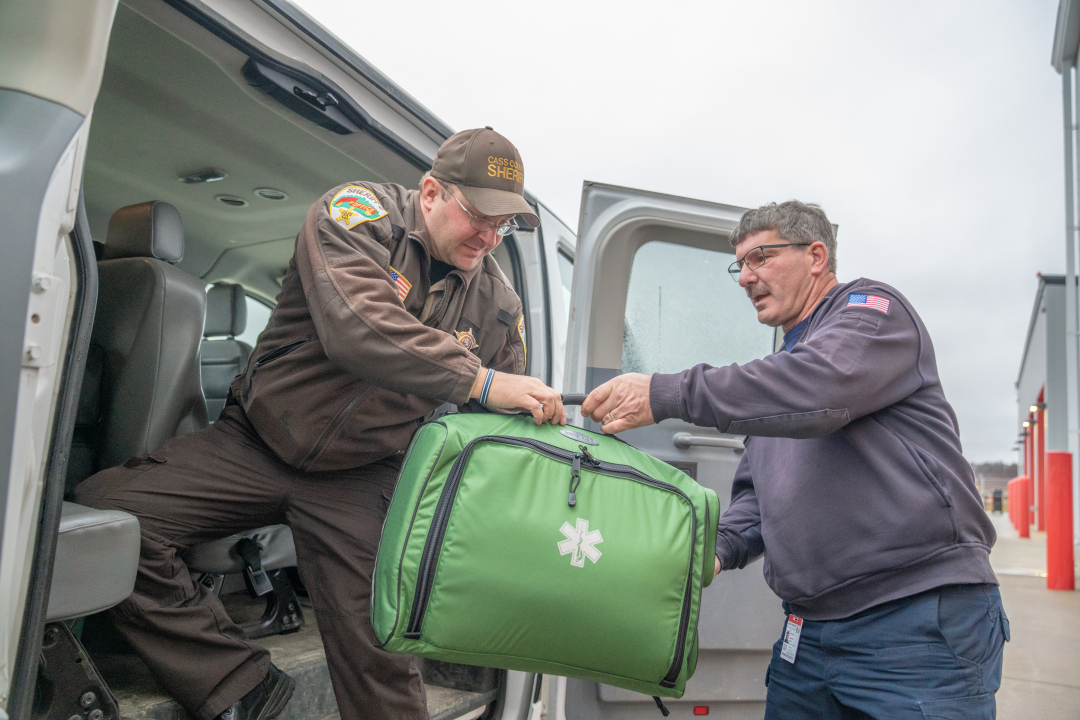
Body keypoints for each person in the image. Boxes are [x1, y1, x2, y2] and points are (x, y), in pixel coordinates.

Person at [75, 127, 566, 720]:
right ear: (432, 192)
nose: (490, 236)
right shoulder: (357, 216)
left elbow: (497, 427)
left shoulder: (497, 303)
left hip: (363, 474)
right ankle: (237, 684)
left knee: (378, 651)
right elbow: (357, 323)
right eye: (478, 216)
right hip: (255, 442)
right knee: (108, 522)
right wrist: (481, 380)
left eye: (504, 225)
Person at [581, 201, 1006, 719]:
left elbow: (819, 388)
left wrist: (665, 392)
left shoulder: (871, 314)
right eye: (740, 265)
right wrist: (707, 551)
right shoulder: (780, 384)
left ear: (816, 256)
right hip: (809, 635)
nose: (745, 277)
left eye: (760, 257)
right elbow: (757, 503)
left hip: (913, 622)